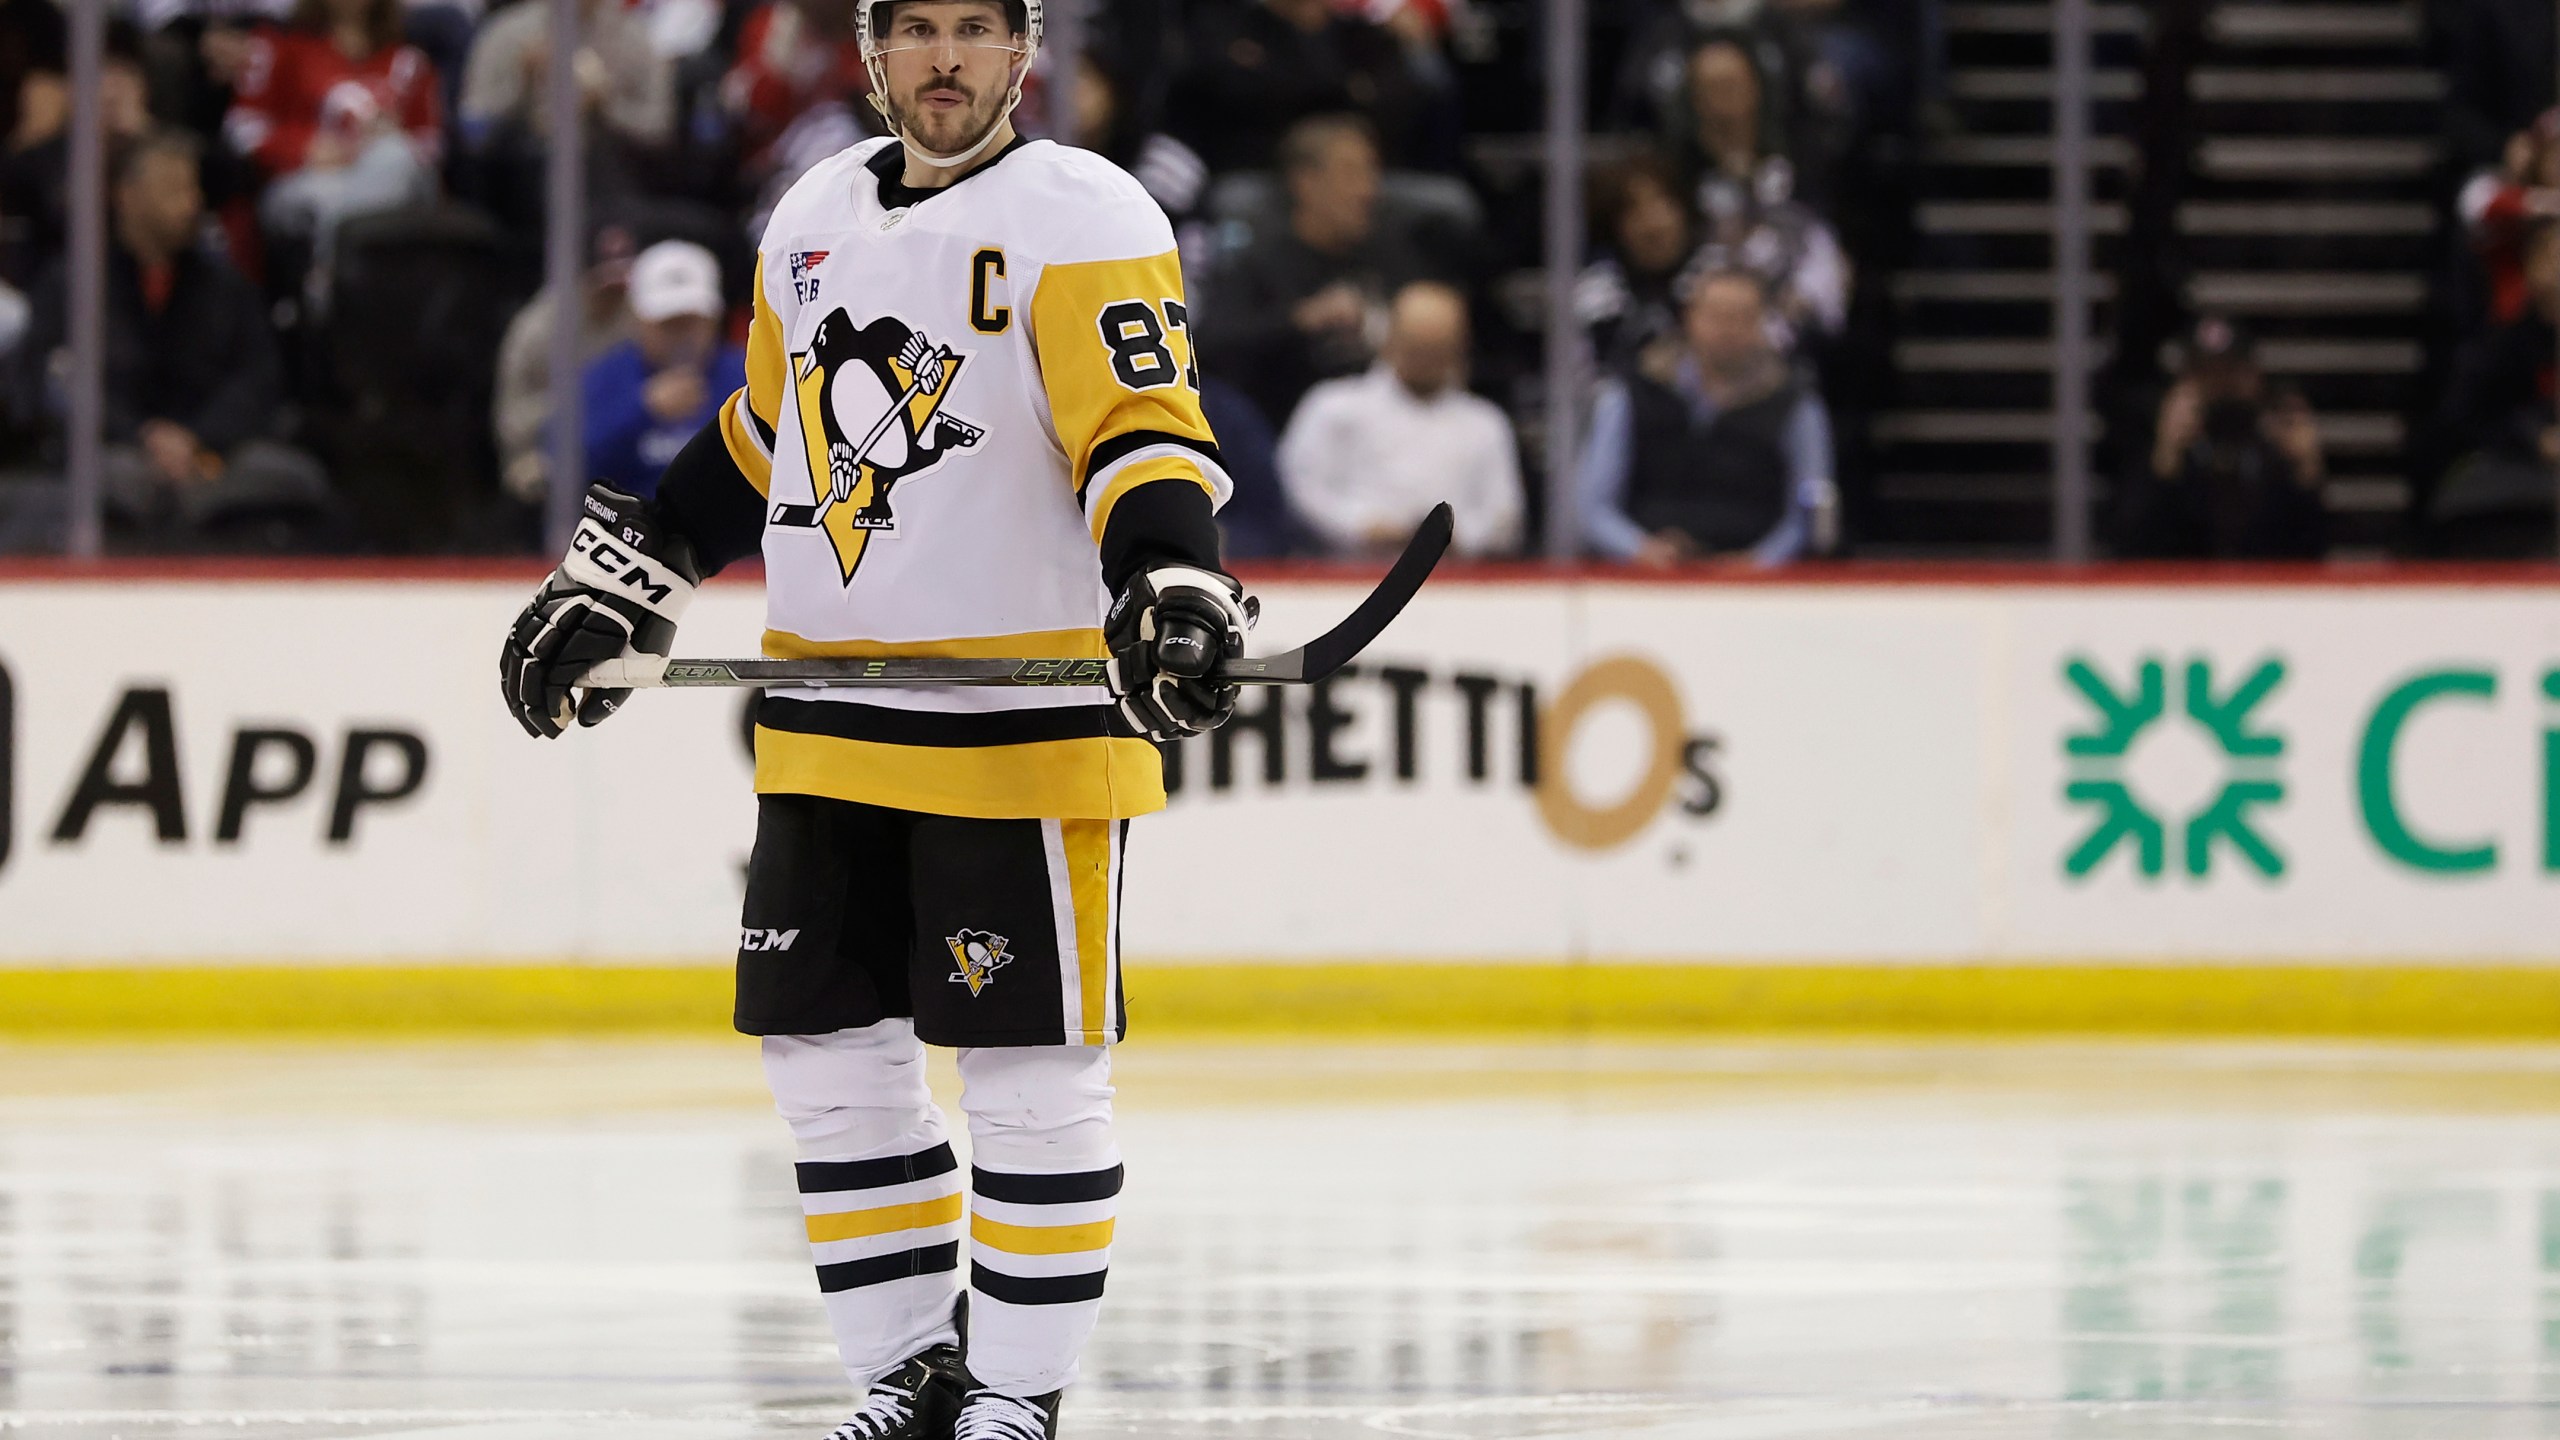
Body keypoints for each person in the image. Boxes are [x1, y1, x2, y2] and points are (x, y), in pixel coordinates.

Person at [498, 0, 1244, 1433]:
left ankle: (1017, 1399)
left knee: (1029, 1070)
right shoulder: (812, 213)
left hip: (1013, 728)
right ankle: (912, 1369)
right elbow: (774, 429)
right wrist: (639, 565)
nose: (946, 57)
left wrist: (1170, 578)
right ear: (870, 50)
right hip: (829, 716)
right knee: (826, 1061)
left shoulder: (1085, 215)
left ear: (1025, 52)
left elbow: (1142, 431)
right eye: (918, 30)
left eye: (977, 27)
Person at [10, 129, 329, 546]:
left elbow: (259, 377)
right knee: (107, 484)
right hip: (114, 451)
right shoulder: (72, 284)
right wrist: (142, 437)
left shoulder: (227, 287)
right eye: (173, 189)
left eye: (193, 188)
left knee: (291, 478)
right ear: (126, 195)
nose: (191, 203)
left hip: (214, 455)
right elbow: (55, 380)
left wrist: (198, 438)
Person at [1579, 266, 1837, 567]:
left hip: (1756, 582)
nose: (1728, 329)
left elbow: (1809, 511)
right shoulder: (1630, 394)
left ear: (1763, 324)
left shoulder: (1795, 405)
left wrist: (1759, 562)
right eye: (1716, 315)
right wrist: (1638, 549)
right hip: (1645, 576)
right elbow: (1592, 504)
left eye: (1742, 317)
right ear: (1689, 317)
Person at [1195, 112, 1437, 431]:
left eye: (1372, 172)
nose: (1369, 190)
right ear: (1306, 182)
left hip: (1387, 436)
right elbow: (1210, 346)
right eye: (1352, 173)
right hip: (1281, 430)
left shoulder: (1390, 253)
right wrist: (1300, 320)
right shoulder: (1261, 261)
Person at [1278, 280, 1520, 556]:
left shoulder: (1484, 423)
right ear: (1390, 338)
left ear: (1459, 347)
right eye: (1417, 347)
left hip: (1453, 578)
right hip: (1344, 574)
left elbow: (1504, 515)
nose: (1426, 360)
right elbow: (1300, 488)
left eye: (1437, 349)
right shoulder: (1332, 407)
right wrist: (1361, 525)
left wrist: (1456, 535)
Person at [224, 0, 441, 286]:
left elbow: (431, 145)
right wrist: (304, 148)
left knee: (396, 156)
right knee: (330, 203)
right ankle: (335, 287)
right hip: (307, 180)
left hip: (386, 178)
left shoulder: (407, 62)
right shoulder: (282, 47)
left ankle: (339, 283)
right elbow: (242, 127)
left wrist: (390, 139)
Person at [2116, 316, 2326, 559]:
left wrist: (2307, 472)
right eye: (2207, 375)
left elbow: (2311, 555)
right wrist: (2165, 457)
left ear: (2253, 376)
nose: (2221, 388)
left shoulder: (2276, 452)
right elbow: (2133, 550)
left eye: (2230, 374)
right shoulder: (2165, 454)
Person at [580, 239, 746, 498]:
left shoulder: (745, 377)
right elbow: (567, 463)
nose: (681, 337)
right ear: (639, 321)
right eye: (668, 324)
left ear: (714, 320)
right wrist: (643, 409)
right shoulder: (606, 377)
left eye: (690, 322)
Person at [495, 223, 637, 505]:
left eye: (621, 285)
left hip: (626, 442)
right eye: (604, 286)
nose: (613, 297)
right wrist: (583, 403)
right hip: (546, 449)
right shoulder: (538, 329)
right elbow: (510, 424)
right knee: (537, 475)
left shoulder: (641, 316)